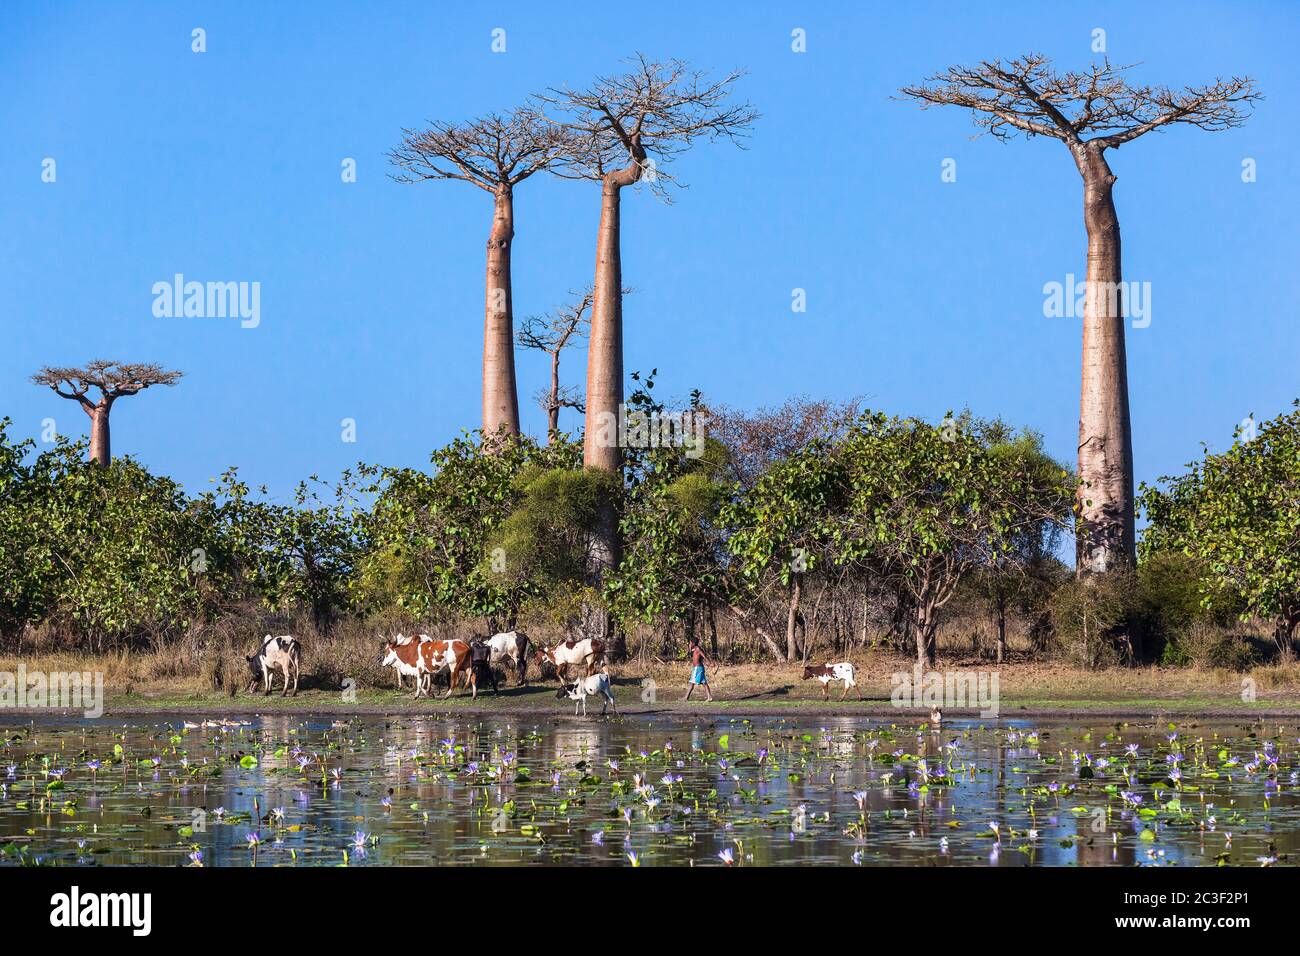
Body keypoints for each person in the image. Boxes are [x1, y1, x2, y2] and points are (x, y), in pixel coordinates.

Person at [683, 636, 715, 702]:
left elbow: (704, 656)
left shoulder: (697, 648)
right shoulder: (695, 649)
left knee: (691, 683)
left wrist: (709, 663)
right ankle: (709, 697)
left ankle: (686, 697)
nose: (689, 644)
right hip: (699, 668)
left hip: (697, 668)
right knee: (704, 683)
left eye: (690, 643)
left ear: (693, 643)